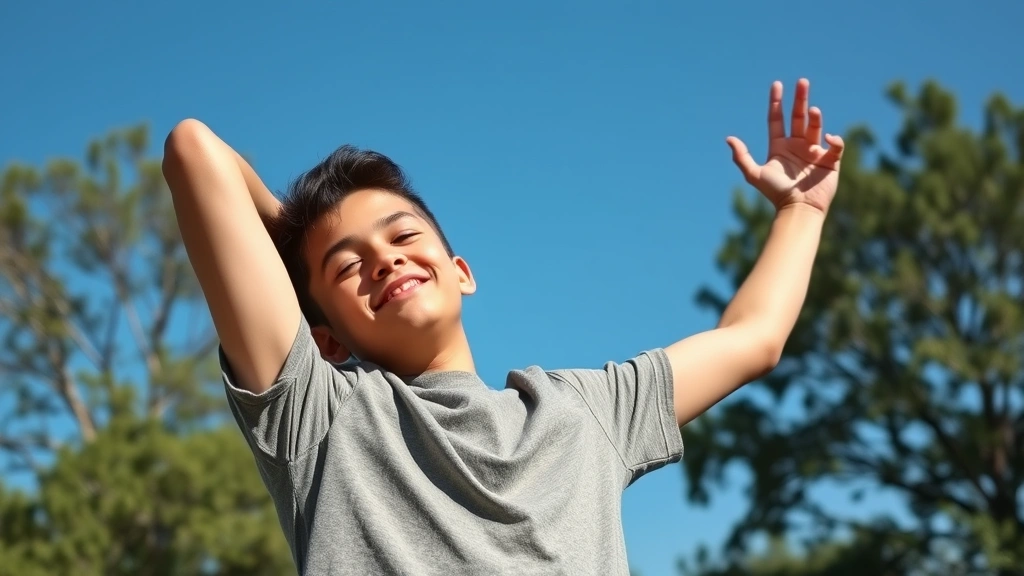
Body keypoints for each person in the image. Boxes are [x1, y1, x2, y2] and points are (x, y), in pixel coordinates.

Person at [162, 78, 843, 575]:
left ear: (462, 270)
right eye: (350, 267)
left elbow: (753, 339)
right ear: (327, 340)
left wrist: (802, 213)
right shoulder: (321, 418)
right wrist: (302, 238)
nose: (384, 257)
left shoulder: (582, 412)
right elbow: (196, 153)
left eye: (402, 235)